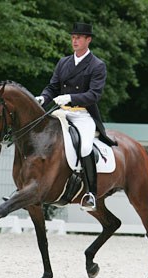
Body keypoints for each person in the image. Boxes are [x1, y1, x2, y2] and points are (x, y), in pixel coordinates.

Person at [36, 22, 116, 211]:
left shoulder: (97, 65)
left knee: (86, 147)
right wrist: (43, 97)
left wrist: (71, 97)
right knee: (40, 138)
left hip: (82, 114)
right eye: (73, 37)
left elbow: (94, 95)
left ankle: (91, 194)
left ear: (88, 40)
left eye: (79, 38)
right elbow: (52, 87)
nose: (75, 41)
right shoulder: (64, 62)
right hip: (61, 112)